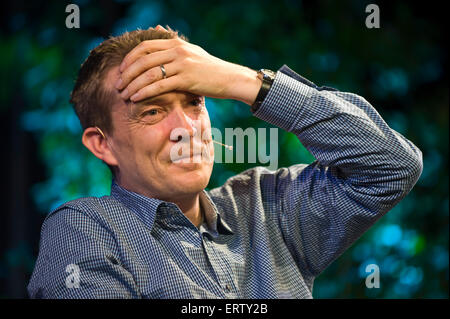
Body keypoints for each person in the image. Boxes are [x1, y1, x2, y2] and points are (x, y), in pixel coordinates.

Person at [28, 25, 423, 298]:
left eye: (195, 101)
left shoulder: (268, 206)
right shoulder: (84, 228)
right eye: (151, 112)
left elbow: (393, 167)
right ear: (103, 145)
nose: (186, 128)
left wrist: (246, 82)